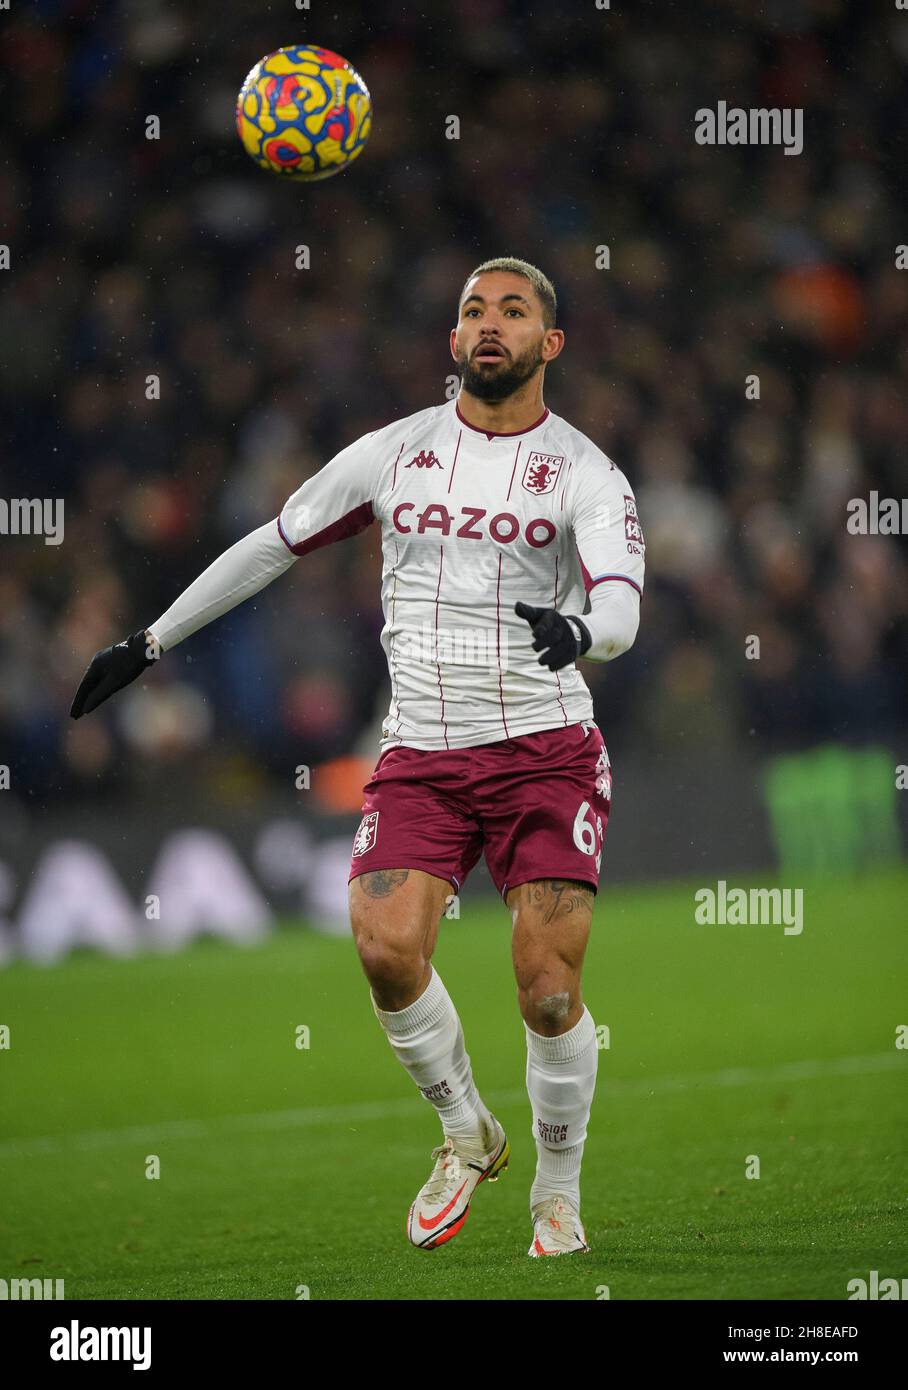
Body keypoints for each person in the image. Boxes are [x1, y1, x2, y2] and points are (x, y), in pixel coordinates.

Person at [71, 257, 645, 1256]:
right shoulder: (393, 453)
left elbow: (624, 604)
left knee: (546, 984)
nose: (488, 324)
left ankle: (557, 1191)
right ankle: (465, 1129)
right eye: (472, 310)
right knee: (384, 947)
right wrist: (150, 641)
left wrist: (582, 631)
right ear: (452, 340)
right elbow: (269, 542)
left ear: (549, 344)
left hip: (544, 749)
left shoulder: (585, 472)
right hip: (420, 750)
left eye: (513, 311)